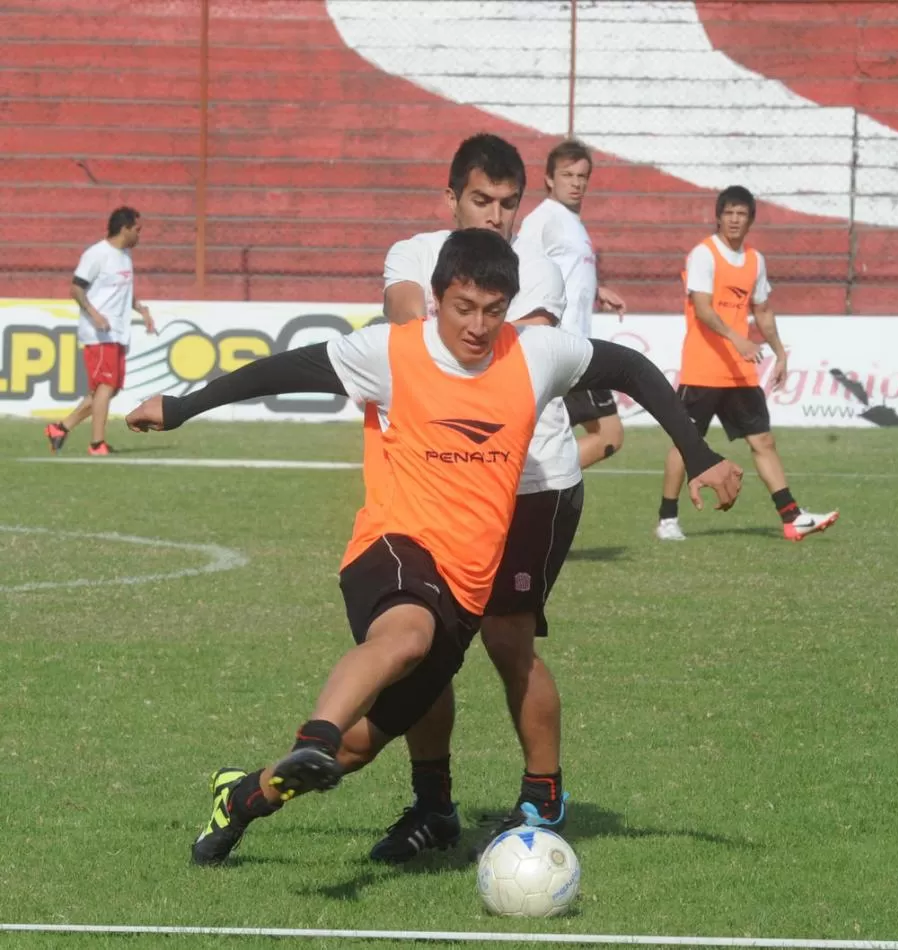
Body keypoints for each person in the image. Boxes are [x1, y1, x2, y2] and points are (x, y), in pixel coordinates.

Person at [124, 229, 744, 868]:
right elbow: (281, 369)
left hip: (468, 585)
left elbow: (632, 368)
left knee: (360, 750)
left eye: (493, 309)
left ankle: (243, 796)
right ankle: (317, 731)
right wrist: (182, 406)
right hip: (394, 546)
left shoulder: (536, 354)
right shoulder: (389, 352)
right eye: (463, 307)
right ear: (436, 299)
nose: (477, 326)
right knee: (405, 637)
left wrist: (698, 455)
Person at [376, 133, 578, 863]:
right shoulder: (412, 253)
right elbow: (405, 321)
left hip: (532, 483)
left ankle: (543, 799)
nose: (494, 215)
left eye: (507, 203)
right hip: (438, 481)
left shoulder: (540, 272)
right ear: (451, 197)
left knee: (504, 638)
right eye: (480, 199)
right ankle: (433, 807)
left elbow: (494, 355)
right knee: (423, 650)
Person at [655, 186, 838, 542]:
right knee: (684, 443)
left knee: (764, 441)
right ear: (719, 217)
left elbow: (763, 311)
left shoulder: (755, 260)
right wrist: (738, 339)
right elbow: (704, 308)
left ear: (751, 219)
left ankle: (792, 517)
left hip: (740, 372)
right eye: (729, 213)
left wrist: (780, 352)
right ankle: (667, 518)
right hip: (703, 370)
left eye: (742, 214)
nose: (735, 219)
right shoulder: (704, 254)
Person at [518, 139, 627, 469]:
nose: (577, 183)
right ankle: (532, 483)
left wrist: (596, 290)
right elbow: (520, 269)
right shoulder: (543, 220)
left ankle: (531, 485)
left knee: (553, 436)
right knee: (609, 436)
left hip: (574, 346)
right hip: (565, 349)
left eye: (582, 176)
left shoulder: (572, 222)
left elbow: (562, 272)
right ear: (550, 179)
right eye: (568, 175)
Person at [45, 206, 156, 456]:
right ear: (124, 229)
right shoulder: (96, 254)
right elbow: (76, 289)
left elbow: (122, 292)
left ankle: (60, 428)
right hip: (98, 333)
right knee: (105, 386)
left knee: (109, 389)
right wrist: (94, 314)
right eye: (137, 230)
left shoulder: (125, 255)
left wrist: (142, 310)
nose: (140, 235)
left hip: (117, 331)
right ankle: (97, 444)